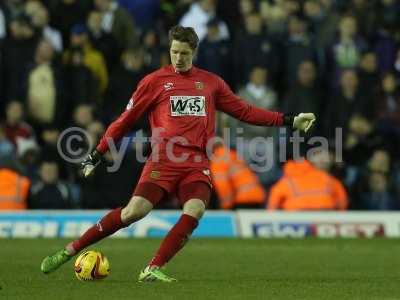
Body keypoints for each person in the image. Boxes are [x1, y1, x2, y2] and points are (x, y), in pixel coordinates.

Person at [40, 25, 316, 282]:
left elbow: (245, 111)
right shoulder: (154, 82)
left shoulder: (211, 83)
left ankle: (153, 268)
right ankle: (69, 250)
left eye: (184, 53)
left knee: (195, 209)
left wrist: (289, 119)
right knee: (133, 212)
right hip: (164, 159)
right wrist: (97, 153)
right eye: (174, 52)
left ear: (193, 53)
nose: (178, 58)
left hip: (196, 161)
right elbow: (125, 120)